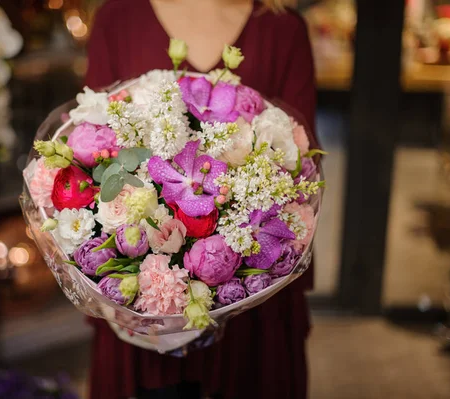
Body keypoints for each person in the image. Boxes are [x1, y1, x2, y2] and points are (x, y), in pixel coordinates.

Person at [85, 0, 319, 398]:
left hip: (252, 308)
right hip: (142, 318)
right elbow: (90, 159)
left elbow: (303, 169)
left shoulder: (282, 30)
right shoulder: (118, 18)